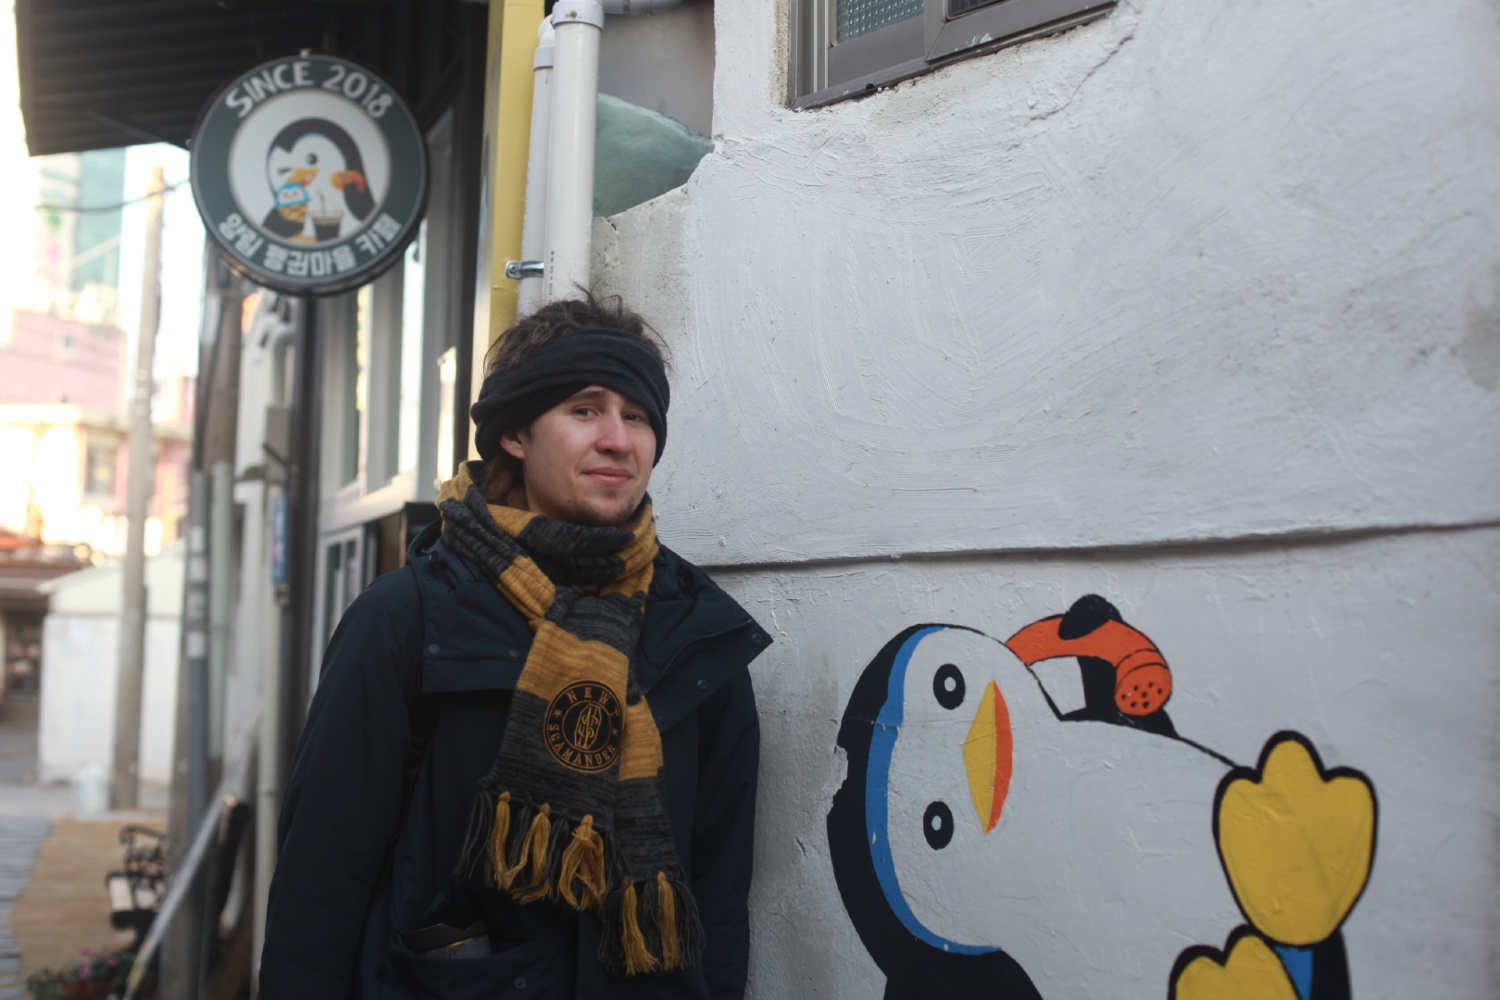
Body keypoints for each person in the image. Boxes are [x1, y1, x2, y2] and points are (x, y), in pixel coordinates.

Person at [261, 295, 770, 999]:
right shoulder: (407, 620)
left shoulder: (695, 633)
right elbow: (321, 885)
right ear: (514, 434)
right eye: (584, 410)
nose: (617, 440)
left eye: (638, 416)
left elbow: (718, 895)